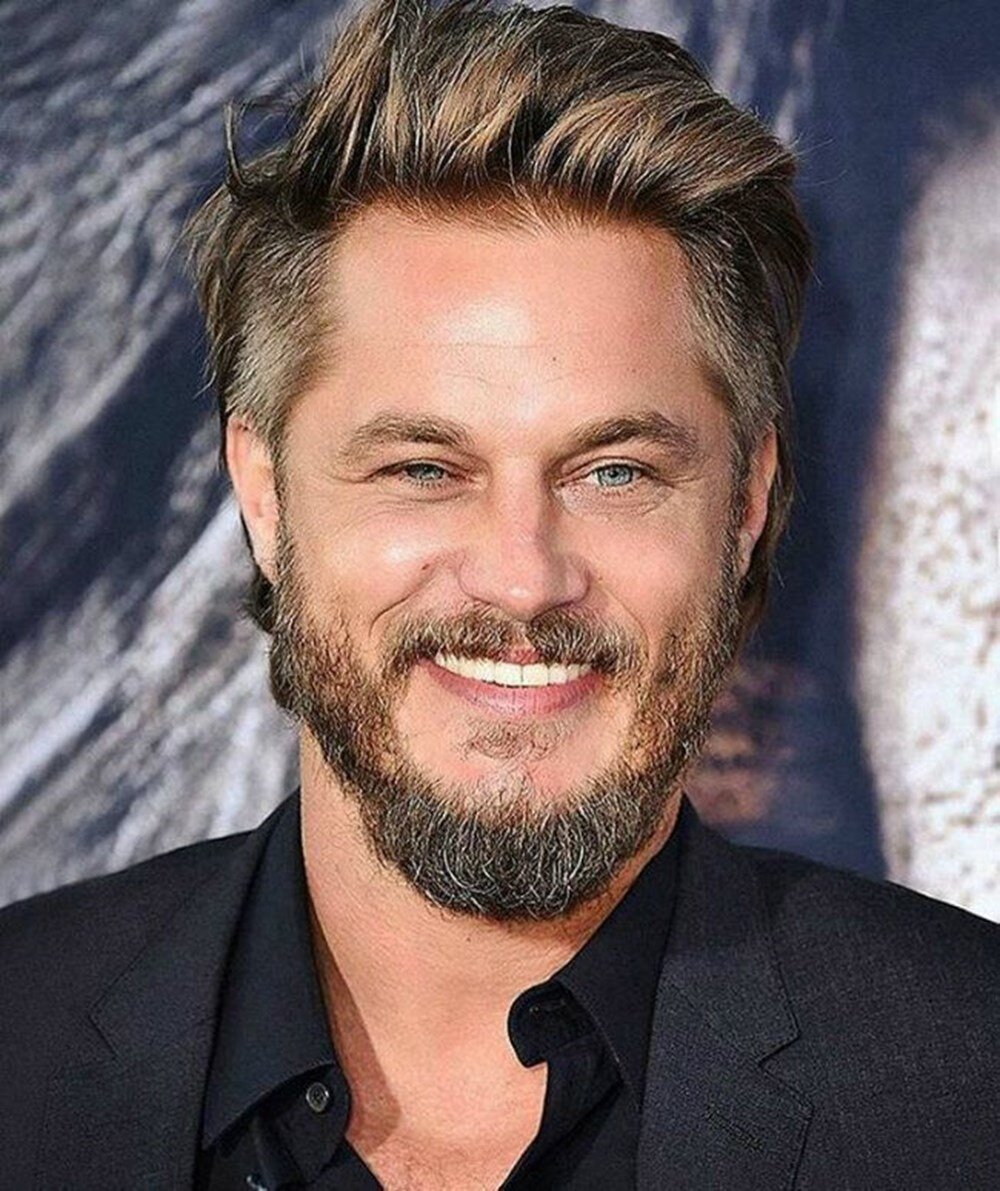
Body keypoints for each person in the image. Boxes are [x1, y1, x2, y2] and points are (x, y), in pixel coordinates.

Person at [1, 0, 996, 1187]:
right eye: (423, 469)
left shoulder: (968, 1085)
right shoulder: (20, 1040)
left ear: (744, 503)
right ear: (263, 496)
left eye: (614, 471)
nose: (523, 578)